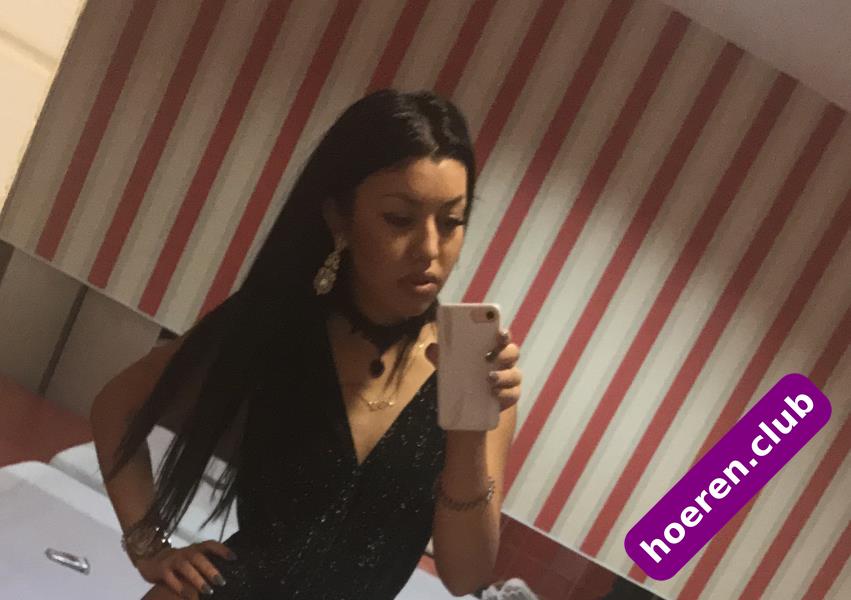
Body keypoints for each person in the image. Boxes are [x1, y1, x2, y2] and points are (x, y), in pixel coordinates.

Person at [89, 88, 522, 599]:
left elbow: (465, 576)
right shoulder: (276, 323)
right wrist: (150, 547)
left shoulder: (478, 374)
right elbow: (116, 407)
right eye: (399, 219)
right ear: (340, 218)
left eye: (451, 221)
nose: (430, 248)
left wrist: (467, 431)